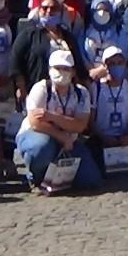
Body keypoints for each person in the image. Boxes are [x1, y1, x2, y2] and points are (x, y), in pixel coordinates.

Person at [16, 49, 100, 191]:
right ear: (49, 70)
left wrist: (51, 116)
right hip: (36, 136)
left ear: (73, 72)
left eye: (66, 69)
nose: (61, 72)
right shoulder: (41, 89)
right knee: (41, 147)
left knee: (90, 179)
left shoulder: (82, 93)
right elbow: (35, 122)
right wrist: (61, 135)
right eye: (57, 68)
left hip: (70, 141)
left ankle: (58, 177)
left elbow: (80, 126)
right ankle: (35, 177)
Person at [12, 0, 85, 98]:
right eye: (45, 8)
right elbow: (16, 62)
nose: (49, 11)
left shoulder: (68, 37)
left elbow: (78, 65)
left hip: (66, 92)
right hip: (37, 91)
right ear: (39, 11)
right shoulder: (28, 35)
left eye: (54, 8)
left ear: (60, 13)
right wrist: (21, 88)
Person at [88, 46, 128, 173]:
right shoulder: (96, 88)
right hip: (102, 137)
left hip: (125, 136)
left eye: (120, 63)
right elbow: (91, 121)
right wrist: (104, 138)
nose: (116, 66)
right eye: (111, 63)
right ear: (104, 65)